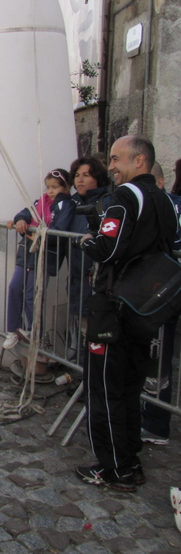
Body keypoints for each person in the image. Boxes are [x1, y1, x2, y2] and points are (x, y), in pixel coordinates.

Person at [75, 135, 178, 492]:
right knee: (130, 389)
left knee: (103, 390)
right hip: (144, 311)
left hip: (114, 310)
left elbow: (108, 247)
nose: (112, 166)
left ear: (140, 161)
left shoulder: (125, 196)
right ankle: (129, 460)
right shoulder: (164, 200)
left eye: (117, 159)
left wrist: (87, 241)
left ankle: (113, 468)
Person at [2, 169, 75, 381]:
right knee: (15, 287)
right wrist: (20, 220)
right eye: (49, 187)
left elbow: (58, 230)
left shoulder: (65, 204)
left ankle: (34, 332)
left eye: (55, 187)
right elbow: (25, 212)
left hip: (45, 254)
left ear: (65, 188)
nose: (51, 191)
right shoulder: (40, 201)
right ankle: (12, 329)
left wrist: (33, 231)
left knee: (31, 294)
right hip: (28, 251)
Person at [139, 162, 181, 446]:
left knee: (159, 357)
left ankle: (156, 424)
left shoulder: (166, 205)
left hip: (164, 290)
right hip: (156, 290)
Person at [66, 157, 111, 357]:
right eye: (77, 176)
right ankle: (81, 371)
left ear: (98, 178)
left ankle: (90, 375)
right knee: (81, 328)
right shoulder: (72, 203)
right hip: (77, 277)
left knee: (94, 332)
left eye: (86, 175)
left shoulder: (107, 202)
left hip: (98, 281)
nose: (80, 180)